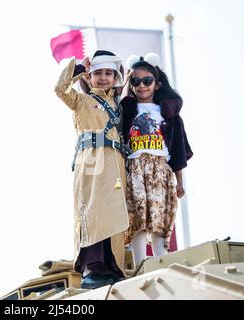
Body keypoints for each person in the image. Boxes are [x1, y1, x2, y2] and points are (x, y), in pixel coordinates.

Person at [55, 50, 129, 289]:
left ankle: (113, 267)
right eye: (98, 73)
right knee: (94, 212)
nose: (104, 78)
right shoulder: (82, 100)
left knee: (114, 213)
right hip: (91, 163)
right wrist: (78, 69)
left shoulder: (119, 105)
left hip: (116, 164)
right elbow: (60, 89)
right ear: (89, 77)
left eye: (109, 73)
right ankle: (94, 268)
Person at [120, 53, 193, 267]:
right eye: (135, 81)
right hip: (134, 167)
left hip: (161, 168)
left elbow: (178, 150)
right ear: (130, 84)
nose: (142, 86)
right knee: (138, 215)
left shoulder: (169, 113)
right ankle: (140, 264)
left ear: (157, 83)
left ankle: (162, 263)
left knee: (160, 217)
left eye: (147, 81)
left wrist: (180, 180)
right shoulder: (126, 110)